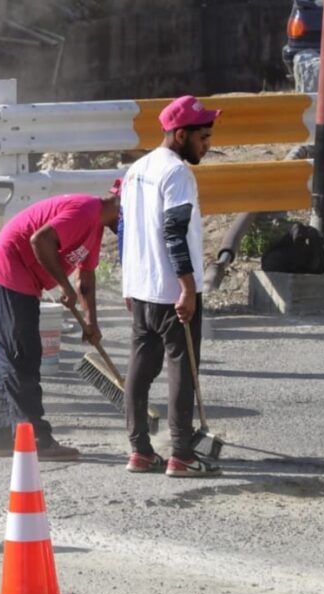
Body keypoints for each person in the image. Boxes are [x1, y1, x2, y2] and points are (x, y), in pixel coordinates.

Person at [0, 185, 122, 461]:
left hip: (21, 281)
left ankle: (2, 436)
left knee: (11, 357)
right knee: (21, 355)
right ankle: (37, 440)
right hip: (7, 272)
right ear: (121, 207)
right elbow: (40, 240)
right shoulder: (85, 210)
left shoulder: (95, 228)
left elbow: (86, 277)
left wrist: (91, 321)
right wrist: (63, 285)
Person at [120, 95, 221, 478]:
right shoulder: (177, 173)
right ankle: (181, 454)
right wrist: (187, 288)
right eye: (203, 137)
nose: (207, 145)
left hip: (142, 289)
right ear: (181, 135)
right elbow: (174, 231)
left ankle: (140, 452)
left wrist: (128, 283)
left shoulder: (137, 169)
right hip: (171, 291)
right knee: (183, 370)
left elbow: (126, 230)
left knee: (140, 370)